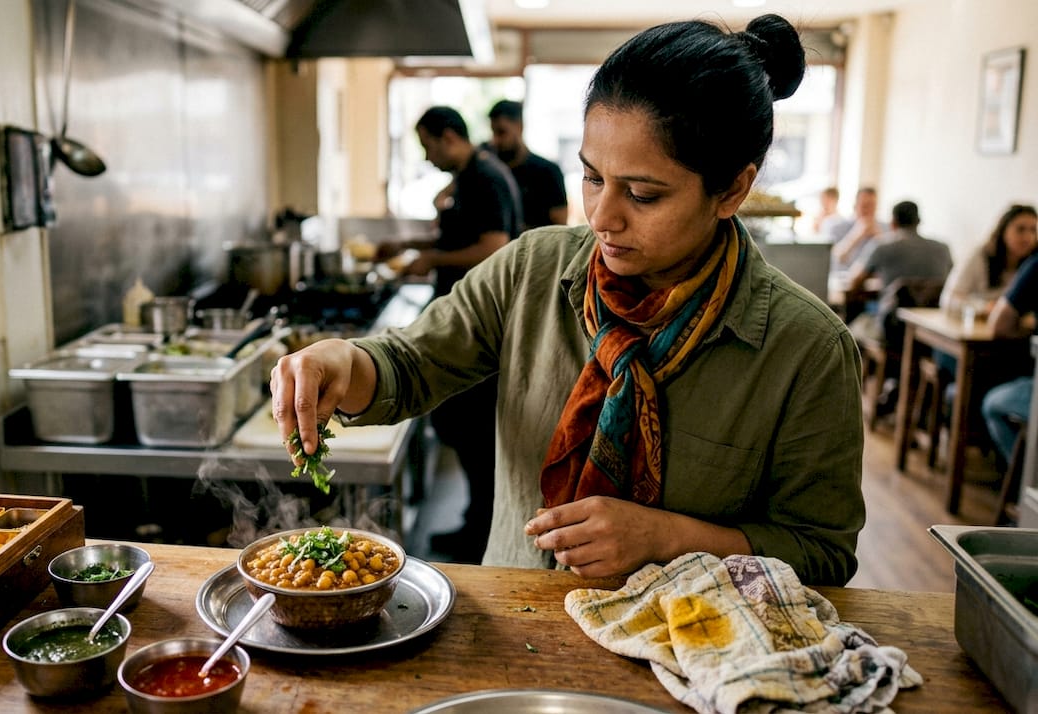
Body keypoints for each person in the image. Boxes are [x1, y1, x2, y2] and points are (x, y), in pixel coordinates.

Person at [272, 14, 863, 586]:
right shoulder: (535, 269)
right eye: (593, 178)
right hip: (515, 625)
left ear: (733, 187)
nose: (602, 218)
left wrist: (669, 538)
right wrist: (342, 363)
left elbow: (820, 549)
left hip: (690, 663)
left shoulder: (806, 350)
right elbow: (410, 364)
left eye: (642, 194)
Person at [380, 105, 523, 563]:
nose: (428, 157)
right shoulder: (467, 177)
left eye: (428, 146)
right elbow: (457, 235)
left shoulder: (486, 177)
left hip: (482, 328)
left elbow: (493, 246)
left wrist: (431, 262)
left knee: (474, 431)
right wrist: (409, 245)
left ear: (448, 137)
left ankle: (480, 535)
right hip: (461, 320)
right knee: (459, 426)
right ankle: (473, 524)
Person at [847, 200, 952, 349]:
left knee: (852, 327)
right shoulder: (943, 249)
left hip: (891, 328)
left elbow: (854, 282)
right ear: (918, 222)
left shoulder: (882, 246)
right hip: (929, 332)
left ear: (893, 223)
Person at [981, 252, 1038, 466]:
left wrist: (1026, 331)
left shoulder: (1035, 266)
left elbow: (998, 325)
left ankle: (1026, 480)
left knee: (993, 404)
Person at [940, 204, 1038, 317]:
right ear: (1003, 230)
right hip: (976, 328)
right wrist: (984, 307)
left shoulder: (1034, 262)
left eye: (1033, 230)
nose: (1028, 237)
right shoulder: (980, 256)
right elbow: (948, 300)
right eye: (1020, 229)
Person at [486, 99, 569, 231]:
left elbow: (559, 228)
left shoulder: (547, 172)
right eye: (493, 133)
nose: (495, 141)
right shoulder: (492, 172)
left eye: (501, 132)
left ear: (519, 127)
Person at [831, 187, 881, 270]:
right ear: (855, 205)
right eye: (864, 205)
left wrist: (879, 238)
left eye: (872, 205)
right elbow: (835, 260)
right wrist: (856, 235)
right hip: (844, 277)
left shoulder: (885, 227)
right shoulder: (838, 227)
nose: (869, 210)